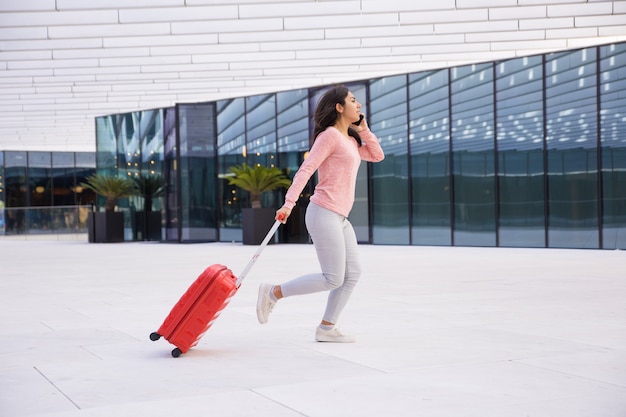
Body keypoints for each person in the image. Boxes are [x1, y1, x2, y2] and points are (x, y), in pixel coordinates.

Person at [256, 85, 385, 343]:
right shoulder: (328, 137)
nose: (358, 105)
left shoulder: (348, 140)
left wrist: (363, 130)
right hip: (323, 211)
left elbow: (377, 155)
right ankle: (273, 292)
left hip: (339, 216)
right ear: (339, 107)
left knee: (352, 274)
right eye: (352, 100)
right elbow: (306, 170)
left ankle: (327, 327)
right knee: (333, 278)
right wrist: (289, 203)